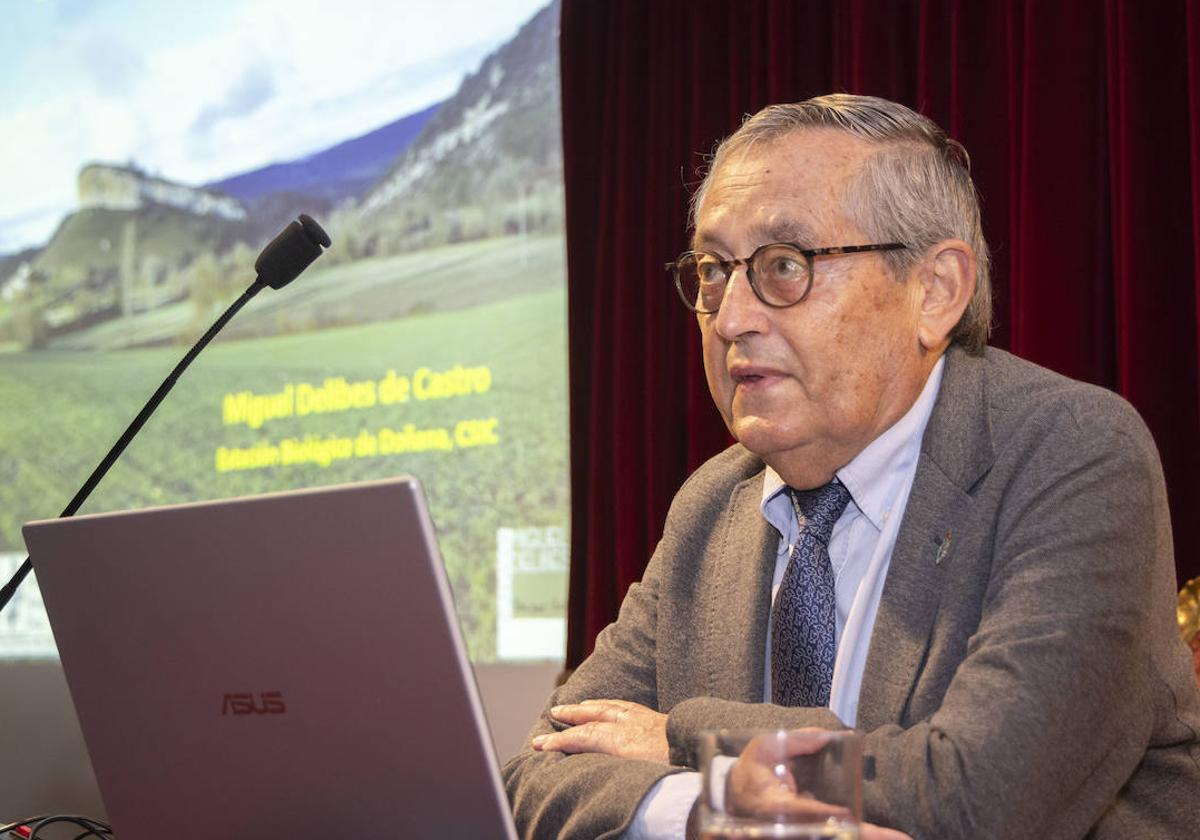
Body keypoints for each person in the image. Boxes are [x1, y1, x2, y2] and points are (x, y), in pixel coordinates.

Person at [502, 94, 1200, 839]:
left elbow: (981, 792)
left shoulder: (1070, 454)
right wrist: (714, 813)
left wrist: (692, 742)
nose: (730, 317)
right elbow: (540, 767)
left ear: (934, 292)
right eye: (713, 270)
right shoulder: (711, 505)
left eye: (784, 265)